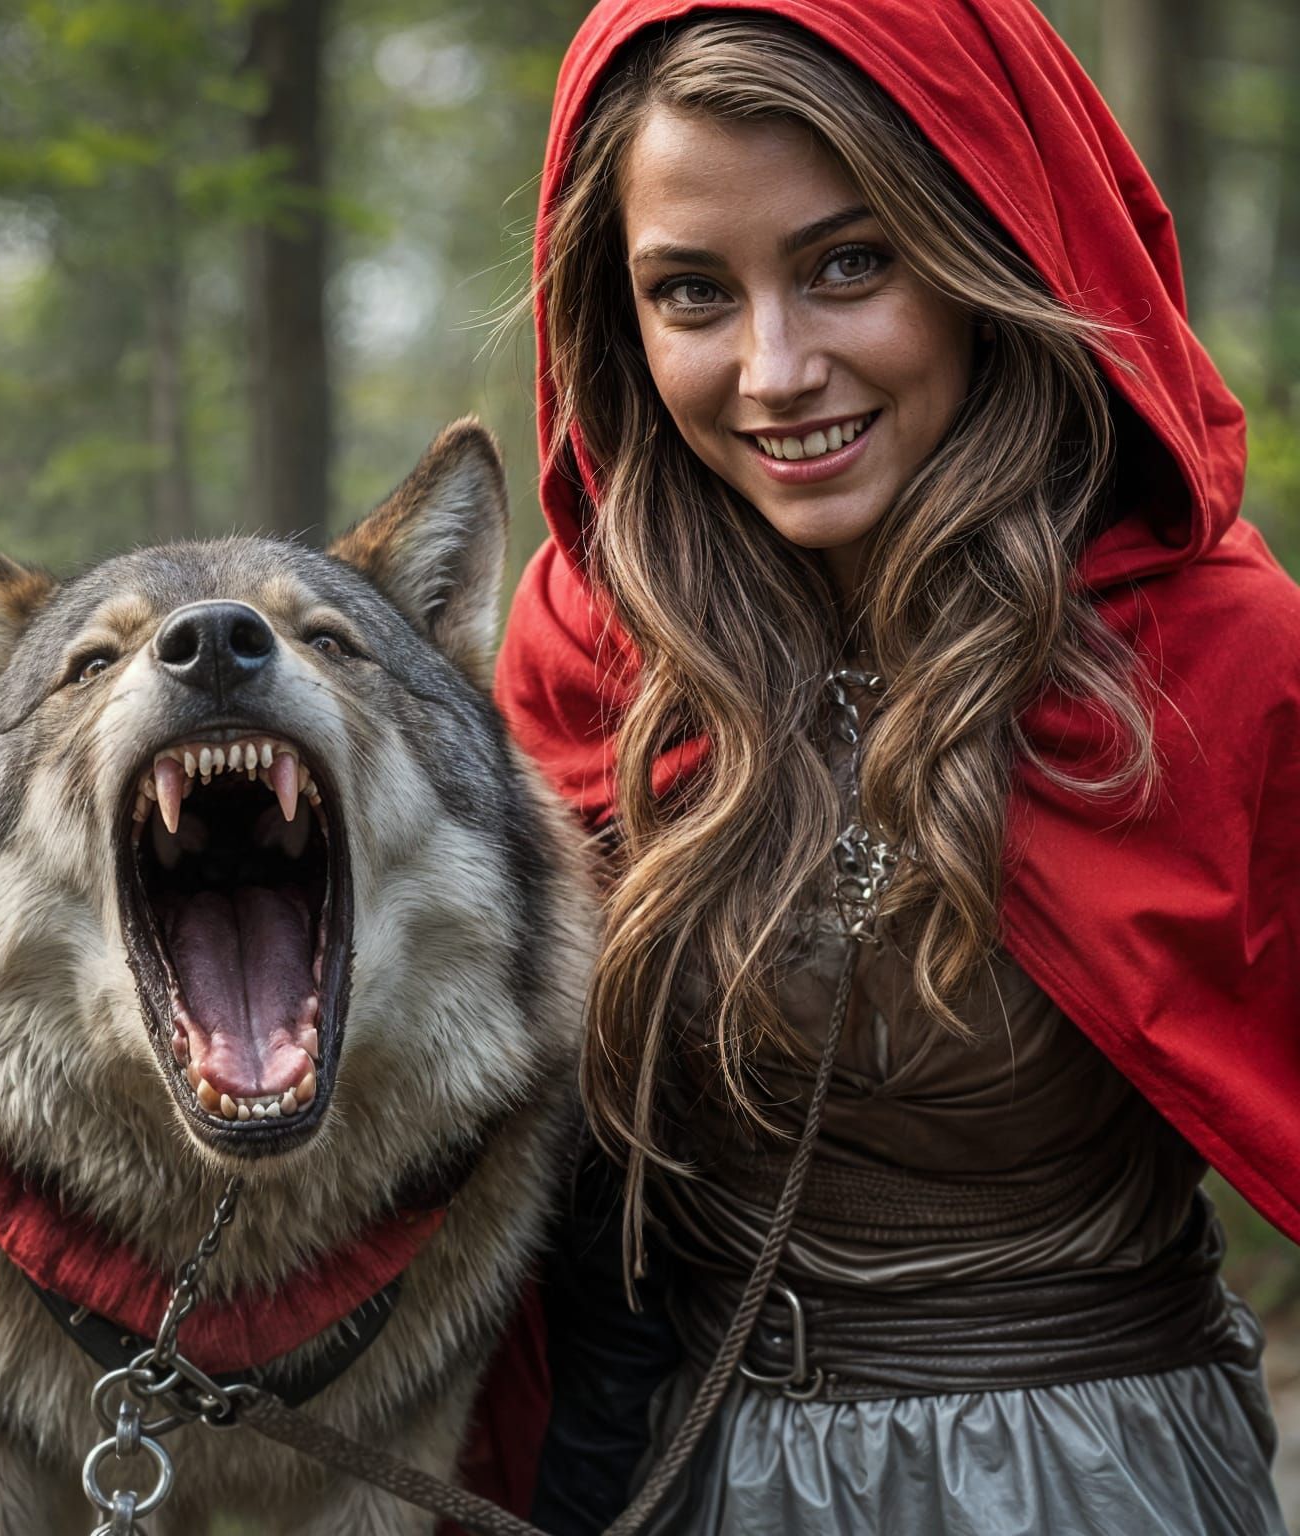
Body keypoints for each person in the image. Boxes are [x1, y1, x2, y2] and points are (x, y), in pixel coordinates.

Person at [491, 2, 1300, 1532]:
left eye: (848, 263)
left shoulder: (1214, 659)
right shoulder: (592, 645)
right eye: (691, 294)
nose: (776, 369)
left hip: (1078, 1479)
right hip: (684, 1470)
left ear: (985, 246)